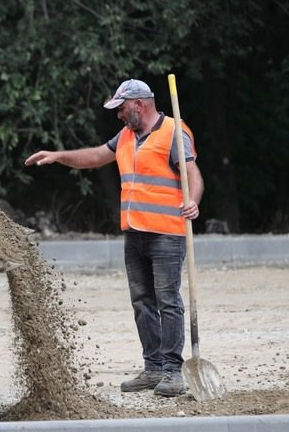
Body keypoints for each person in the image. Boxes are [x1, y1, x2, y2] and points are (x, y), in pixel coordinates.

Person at [25, 79, 203, 397]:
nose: (119, 115)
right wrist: (58, 156)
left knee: (168, 302)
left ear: (139, 104)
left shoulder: (174, 132)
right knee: (142, 303)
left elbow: (193, 174)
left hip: (166, 233)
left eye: (121, 108)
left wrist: (194, 202)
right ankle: (153, 369)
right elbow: (95, 157)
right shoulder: (126, 136)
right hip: (134, 232)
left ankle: (173, 372)